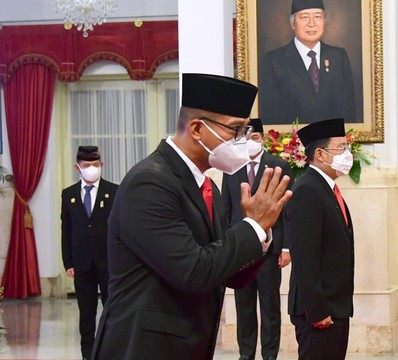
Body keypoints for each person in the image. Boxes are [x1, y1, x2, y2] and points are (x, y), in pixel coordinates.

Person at [92, 73, 293, 360]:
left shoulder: (206, 184)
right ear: (197, 129)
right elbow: (194, 272)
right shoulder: (150, 182)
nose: (242, 142)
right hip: (145, 346)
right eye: (235, 131)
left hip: (188, 342)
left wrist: (261, 232)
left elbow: (225, 269)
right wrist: (252, 226)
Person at [221, 118, 293, 360]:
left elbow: (288, 212)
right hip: (240, 250)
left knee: (270, 306)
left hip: (270, 250)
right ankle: (246, 354)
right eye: (245, 138)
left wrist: (286, 248)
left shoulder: (279, 166)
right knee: (244, 306)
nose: (250, 143)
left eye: (254, 138)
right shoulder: (231, 169)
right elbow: (225, 209)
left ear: (262, 139)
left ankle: (270, 355)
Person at [285, 118, 355, 360]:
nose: (348, 155)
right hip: (318, 311)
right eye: (341, 148)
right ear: (320, 154)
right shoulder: (307, 191)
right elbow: (305, 257)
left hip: (336, 307)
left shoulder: (327, 188)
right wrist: (317, 310)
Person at [61, 146, 118, 360]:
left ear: (101, 165)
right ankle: (88, 355)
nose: (91, 169)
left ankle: (111, 352)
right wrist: (68, 262)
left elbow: (119, 229)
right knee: (86, 314)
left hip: (108, 263)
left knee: (111, 311)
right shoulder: (69, 195)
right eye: (87, 166)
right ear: (78, 167)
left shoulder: (114, 191)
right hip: (82, 263)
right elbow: (66, 230)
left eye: (95, 165)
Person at [259, 0, 356, 125]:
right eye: (304, 17)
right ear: (292, 23)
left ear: (324, 21)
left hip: (332, 141)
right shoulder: (274, 61)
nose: (312, 24)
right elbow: (270, 115)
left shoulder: (339, 57)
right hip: (291, 141)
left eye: (317, 17)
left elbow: (349, 111)